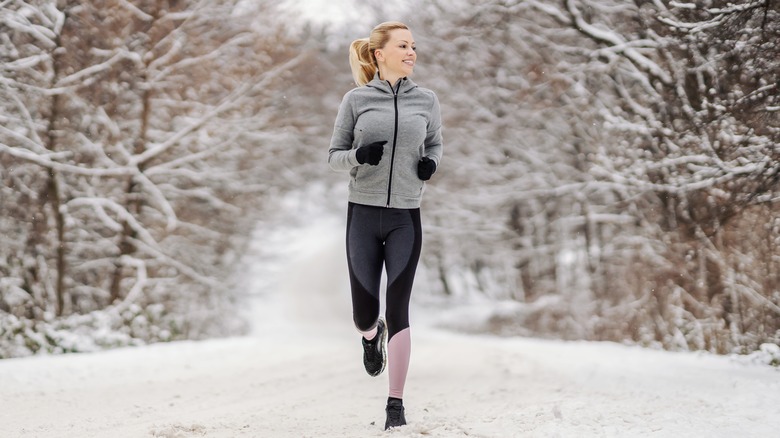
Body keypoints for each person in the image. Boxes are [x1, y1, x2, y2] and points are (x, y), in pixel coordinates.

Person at [327, 21, 443, 430]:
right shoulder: (356, 100)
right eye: (403, 46)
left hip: (405, 216)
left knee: (399, 308)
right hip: (363, 213)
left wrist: (431, 163)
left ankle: (395, 405)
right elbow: (333, 155)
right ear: (380, 54)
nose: (411, 52)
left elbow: (435, 144)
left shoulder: (427, 100)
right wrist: (360, 155)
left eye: (413, 46)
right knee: (364, 314)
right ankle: (369, 334)